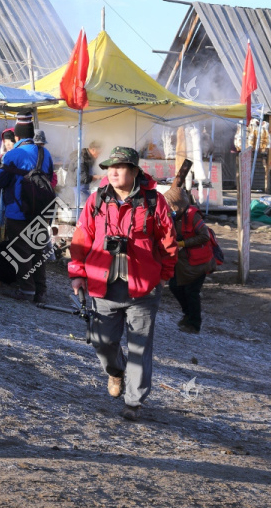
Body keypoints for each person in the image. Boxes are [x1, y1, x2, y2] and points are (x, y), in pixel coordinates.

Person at [68, 146, 179, 421]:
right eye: (109, 168)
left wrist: (164, 275)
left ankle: (134, 402)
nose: (113, 172)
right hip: (102, 285)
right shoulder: (97, 201)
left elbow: (168, 240)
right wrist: (77, 273)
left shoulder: (154, 201)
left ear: (134, 171)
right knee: (102, 342)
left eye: (120, 167)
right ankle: (116, 371)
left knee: (140, 345)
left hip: (143, 287)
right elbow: (81, 238)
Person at [0, 111, 55, 303]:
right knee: (37, 250)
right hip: (43, 210)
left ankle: (26, 290)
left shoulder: (13, 154)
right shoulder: (45, 153)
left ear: (17, 136)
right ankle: (40, 291)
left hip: (18, 211)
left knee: (21, 251)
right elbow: (51, 178)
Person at [164, 187, 214, 333]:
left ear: (177, 204)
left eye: (170, 205)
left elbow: (205, 236)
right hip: (183, 263)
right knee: (175, 287)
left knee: (192, 292)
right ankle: (187, 314)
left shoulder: (193, 215)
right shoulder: (174, 216)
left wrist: (183, 243)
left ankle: (194, 324)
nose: (168, 208)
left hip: (199, 262)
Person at [68, 141, 103, 205]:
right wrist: (98, 177)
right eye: (98, 153)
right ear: (93, 150)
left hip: (83, 188)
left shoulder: (88, 157)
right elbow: (81, 177)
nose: (98, 156)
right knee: (82, 208)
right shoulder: (80, 159)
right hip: (78, 188)